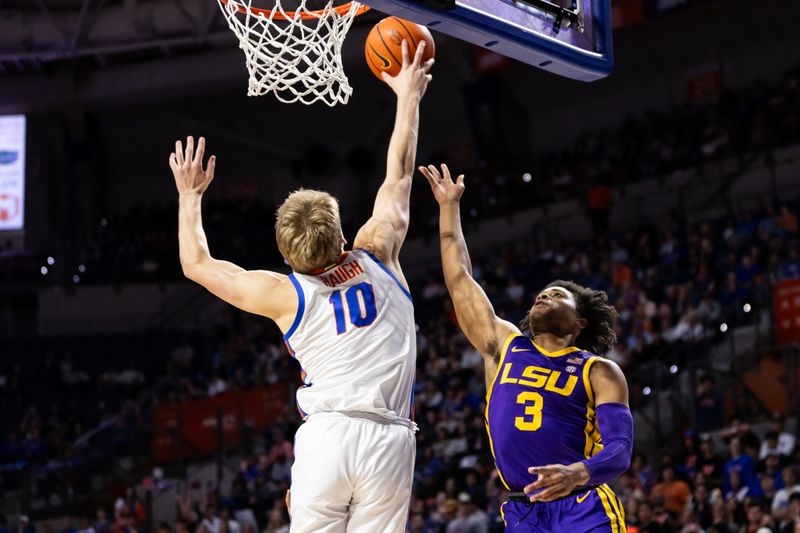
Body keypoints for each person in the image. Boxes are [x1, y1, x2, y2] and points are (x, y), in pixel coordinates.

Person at [169, 40, 434, 533]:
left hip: (327, 436)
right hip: (390, 439)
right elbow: (397, 175)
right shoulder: (377, 251)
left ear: (288, 256)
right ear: (340, 235)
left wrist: (190, 196)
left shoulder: (283, 293)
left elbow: (196, 263)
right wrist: (407, 95)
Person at [421, 164, 633, 532]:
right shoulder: (504, 347)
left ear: (579, 322)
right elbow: (459, 279)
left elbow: (620, 449)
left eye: (558, 295)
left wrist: (578, 472)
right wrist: (448, 207)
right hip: (523, 510)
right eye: (542, 292)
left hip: (581, 504)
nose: (544, 294)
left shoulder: (598, 370)